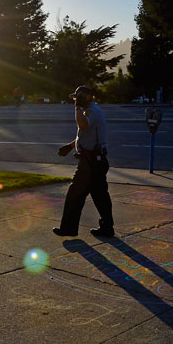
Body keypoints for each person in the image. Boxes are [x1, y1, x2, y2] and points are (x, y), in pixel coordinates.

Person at [53, 85, 114, 238]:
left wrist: (78, 108)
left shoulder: (91, 112)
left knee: (75, 194)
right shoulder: (93, 111)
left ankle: (68, 228)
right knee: (100, 196)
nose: (74, 101)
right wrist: (70, 145)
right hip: (97, 161)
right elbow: (85, 135)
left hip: (91, 163)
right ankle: (107, 228)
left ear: (84, 99)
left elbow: (83, 125)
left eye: (77, 98)